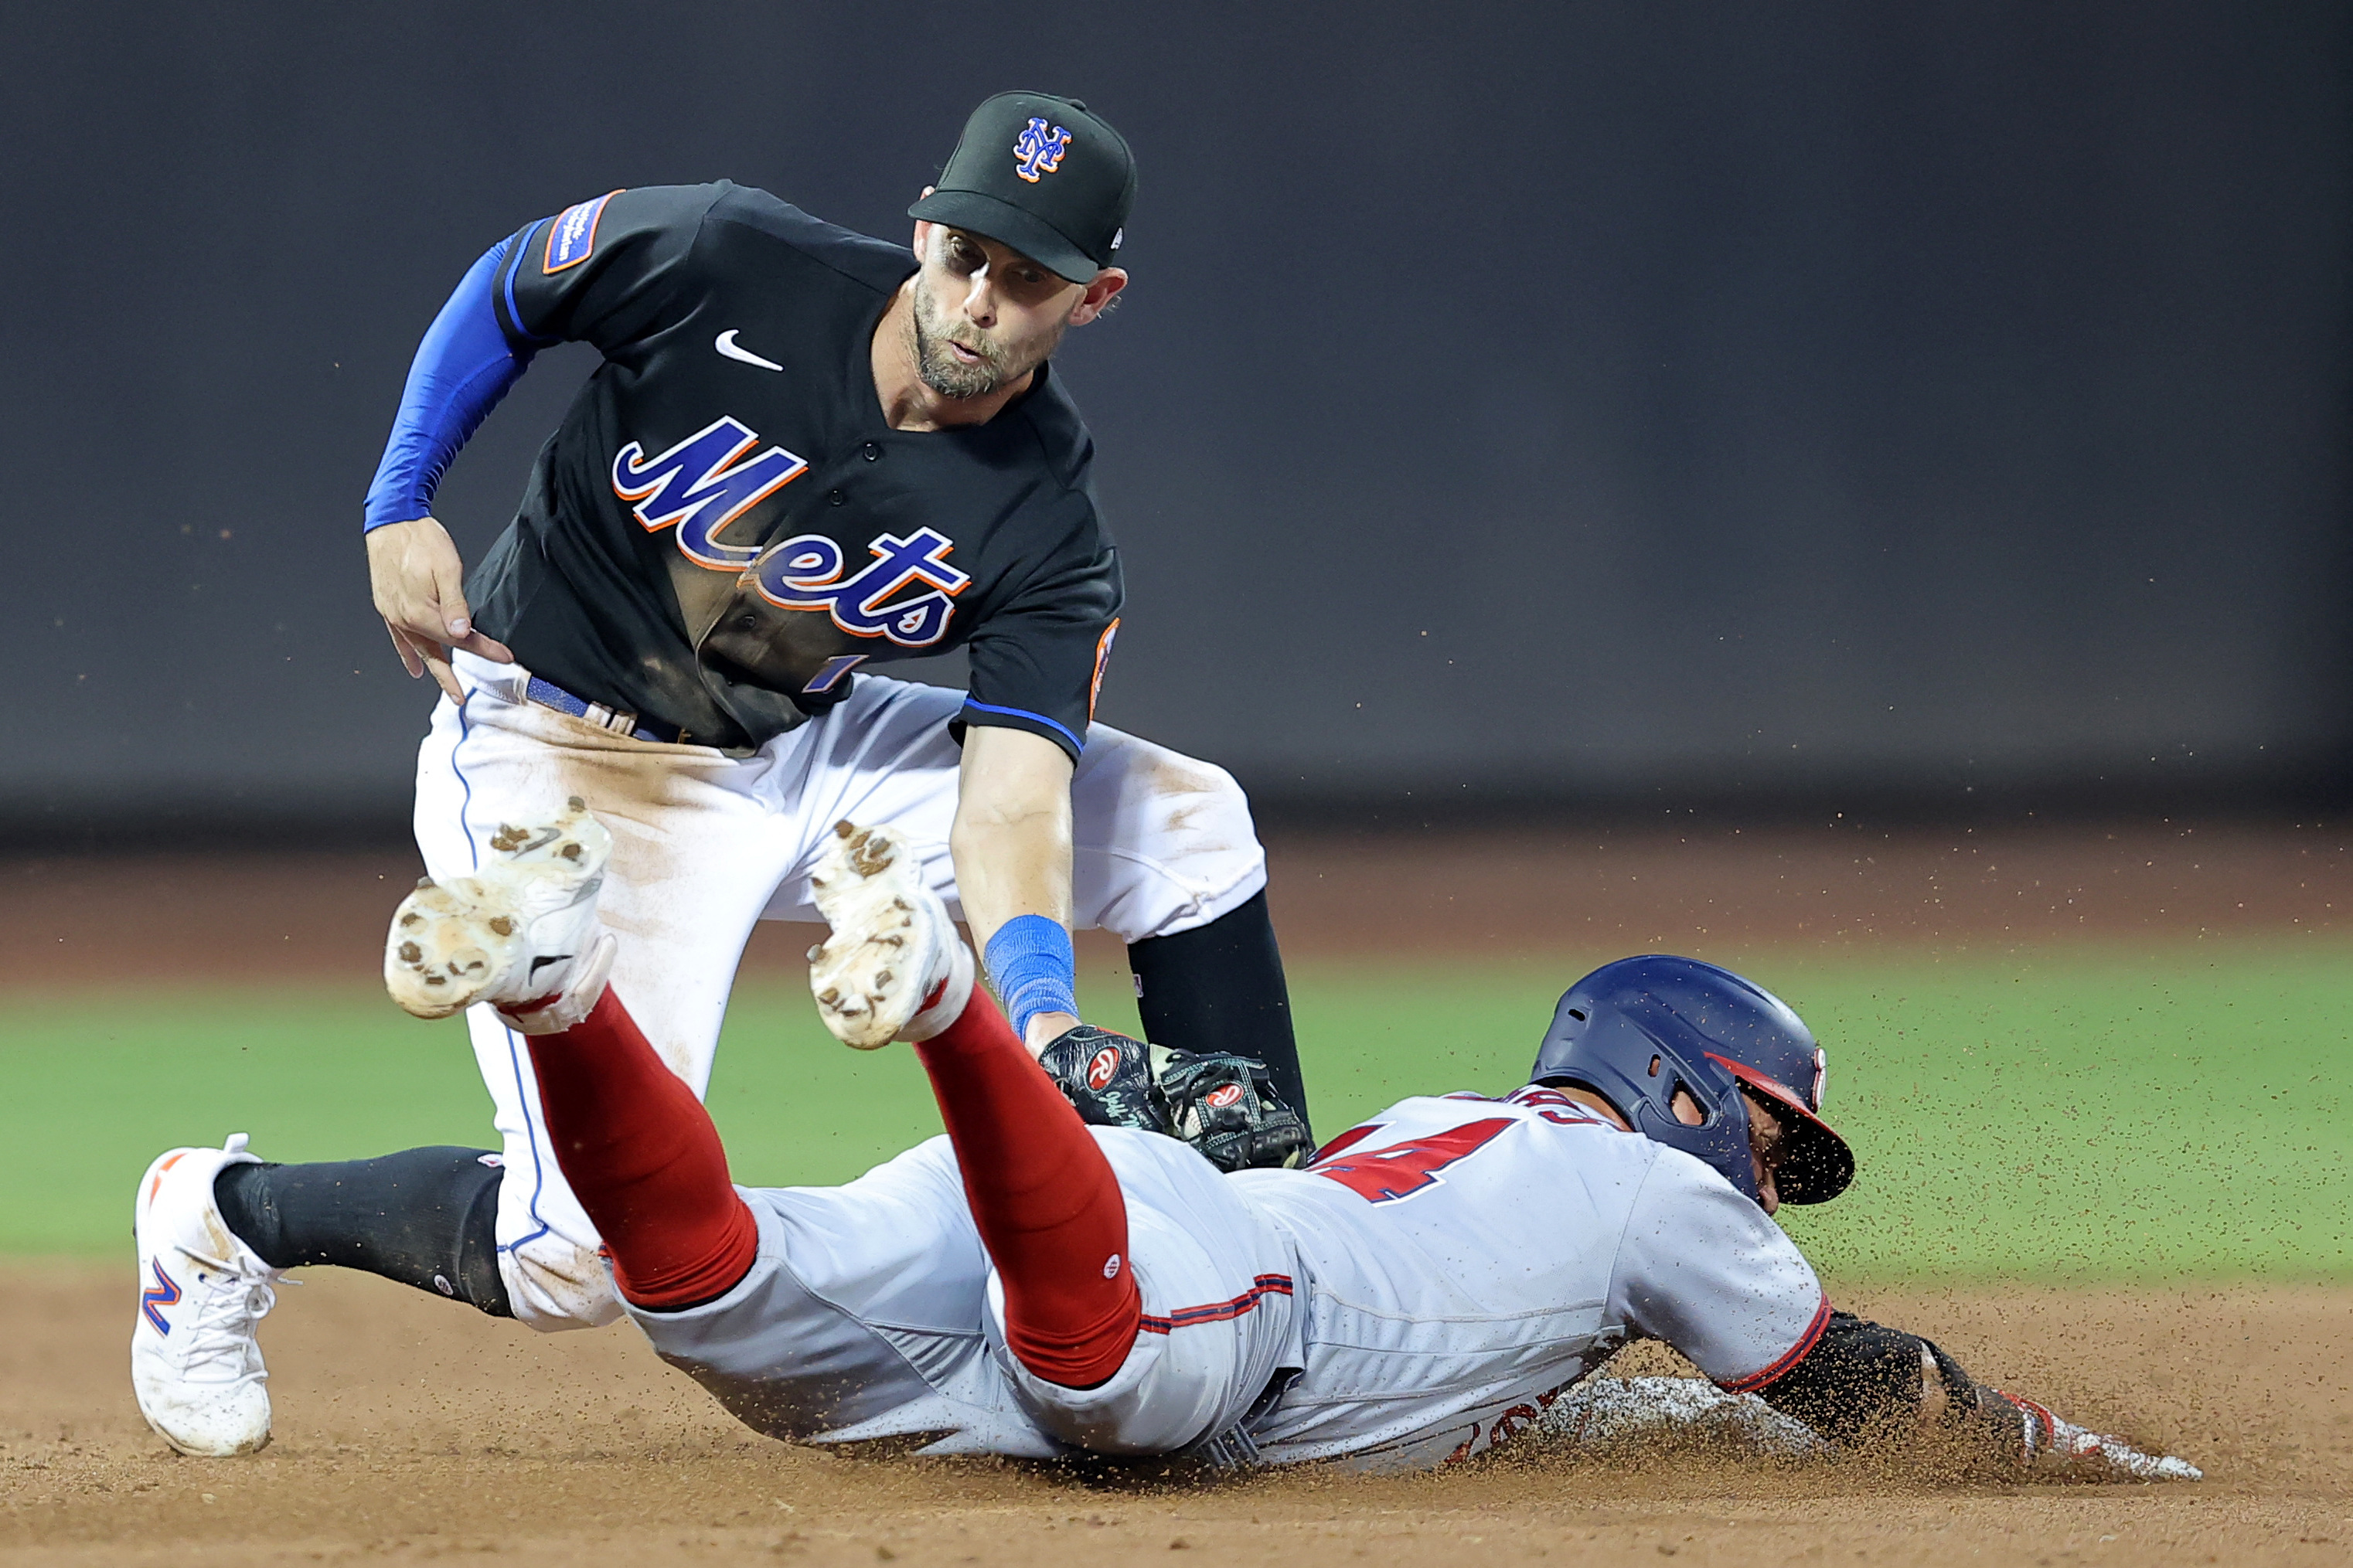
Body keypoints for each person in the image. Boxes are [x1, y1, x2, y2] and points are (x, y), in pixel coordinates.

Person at [131, 812, 2199, 1480]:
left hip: (1128, 1229)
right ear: (1677, 1081)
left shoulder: (1460, 1135)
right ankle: (948, 998)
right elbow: (1859, 1382)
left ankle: (556, 987)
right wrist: (2085, 1457)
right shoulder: (1656, 1195)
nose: (1767, 1173)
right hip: (1208, 1291)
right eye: (1769, 1129)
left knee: (709, 1296)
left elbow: (1546, 1384)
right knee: (1108, 1369)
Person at [341, 90, 1313, 1342]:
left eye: (1027, 280)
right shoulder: (726, 255)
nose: (979, 300)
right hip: (561, 748)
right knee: (575, 1263)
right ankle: (220, 1213)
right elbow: (516, 282)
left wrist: (1044, 1014)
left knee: (1195, 822)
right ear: (924, 232)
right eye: (967, 255)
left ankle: (1282, 1251)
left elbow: (1011, 798)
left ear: (1095, 299)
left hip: (808, 746)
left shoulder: (1049, 522)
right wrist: (398, 495)